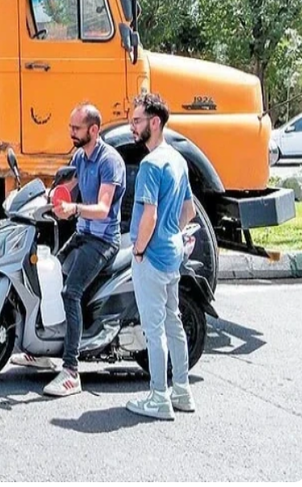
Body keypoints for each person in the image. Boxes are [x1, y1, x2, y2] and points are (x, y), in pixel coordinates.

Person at [11, 103, 126, 397]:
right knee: (46, 279)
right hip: (82, 234)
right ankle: (43, 349)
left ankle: (72, 372)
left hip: (102, 240)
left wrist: (73, 208)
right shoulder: (79, 156)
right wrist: (49, 198)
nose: (71, 133)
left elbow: (101, 208)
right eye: (70, 127)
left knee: (70, 292)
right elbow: (66, 185)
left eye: (76, 128)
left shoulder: (109, 162)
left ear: (93, 130)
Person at [125, 92, 197, 420]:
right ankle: (181, 390)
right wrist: (172, 233)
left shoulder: (151, 165)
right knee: (174, 322)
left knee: (154, 330)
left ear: (155, 123)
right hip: (173, 253)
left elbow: (148, 216)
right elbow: (189, 210)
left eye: (137, 121)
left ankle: (158, 397)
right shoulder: (178, 160)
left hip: (151, 257)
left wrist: (139, 250)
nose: (132, 126)